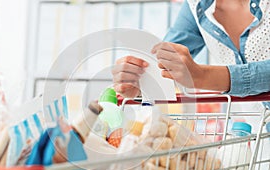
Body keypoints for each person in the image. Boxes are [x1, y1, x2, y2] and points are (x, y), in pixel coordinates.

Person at [112, 0, 270, 98]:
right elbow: (164, 60)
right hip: (256, 139)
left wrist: (202, 76)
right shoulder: (198, 6)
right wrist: (139, 82)